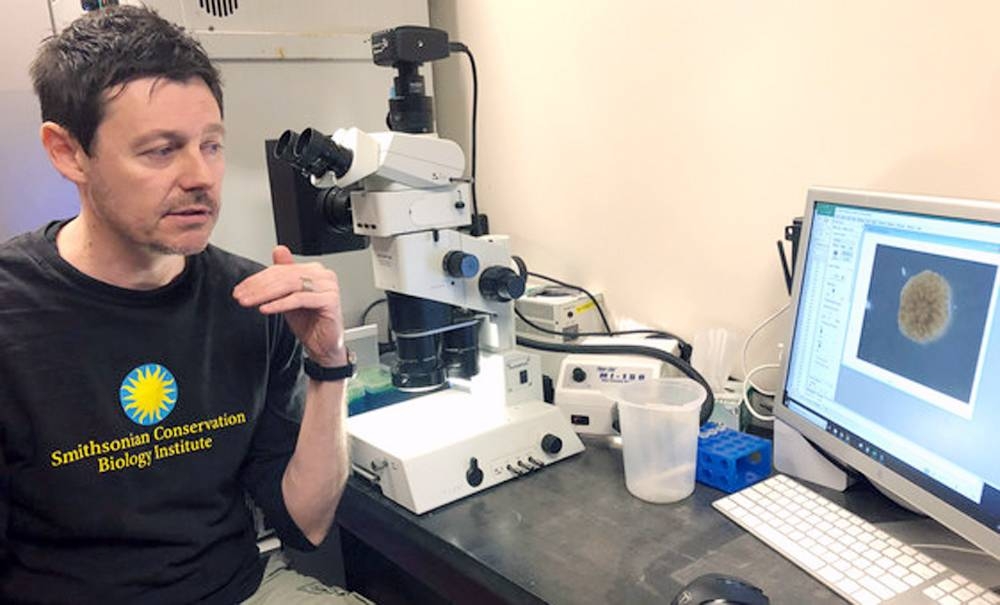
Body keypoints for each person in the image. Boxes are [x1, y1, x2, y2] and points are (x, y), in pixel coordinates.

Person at [0, 6, 370, 604]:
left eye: (212, 145)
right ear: (69, 153)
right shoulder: (12, 318)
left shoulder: (254, 300)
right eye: (160, 151)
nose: (201, 177)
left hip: (241, 592)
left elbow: (306, 524)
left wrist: (329, 365)